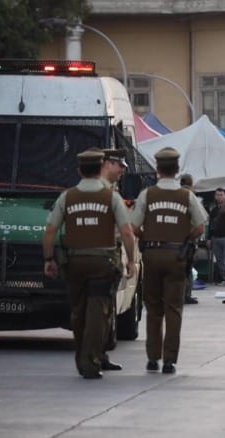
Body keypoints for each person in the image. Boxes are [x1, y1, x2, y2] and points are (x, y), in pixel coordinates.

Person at [42, 149, 136, 379]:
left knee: (79, 312)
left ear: (78, 170)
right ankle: (90, 361)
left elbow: (50, 230)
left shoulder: (67, 196)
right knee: (98, 313)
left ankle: (82, 357)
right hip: (103, 262)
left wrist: (48, 259)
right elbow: (126, 231)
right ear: (101, 166)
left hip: (74, 262)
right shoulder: (110, 196)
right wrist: (131, 260)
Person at [131, 148, 207, 374]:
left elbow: (134, 226)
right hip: (177, 256)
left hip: (152, 255)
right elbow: (200, 226)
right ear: (176, 170)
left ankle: (152, 358)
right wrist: (184, 238)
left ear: (157, 169)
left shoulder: (147, 194)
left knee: (153, 309)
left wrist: (147, 238)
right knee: (174, 309)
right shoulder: (187, 196)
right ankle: (169, 360)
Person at [97, 148, 130, 370]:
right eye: (120, 166)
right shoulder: (106, 193)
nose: (122, 171)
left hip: (98, 257)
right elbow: (125, 230)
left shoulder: (108, 190)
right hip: (104, 257)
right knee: (100, 310)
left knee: (103, 309)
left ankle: (99, 355)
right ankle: (93, 357)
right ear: (108, 163)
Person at [179, 173, 201, 304]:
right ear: (191, 183)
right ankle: (186, 294)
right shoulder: (191, 196)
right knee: (187, 268)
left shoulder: (175, 194)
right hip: (189, 236)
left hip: (175, 237)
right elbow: (200, 223)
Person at [208, 188, 225, 285]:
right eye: (217, 195)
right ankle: (224, 278)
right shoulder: (214, 210)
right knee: (219, 259)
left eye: (221, 194)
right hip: (216, 237)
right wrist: (209, 238)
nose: (219, 197)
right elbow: (210, 224)